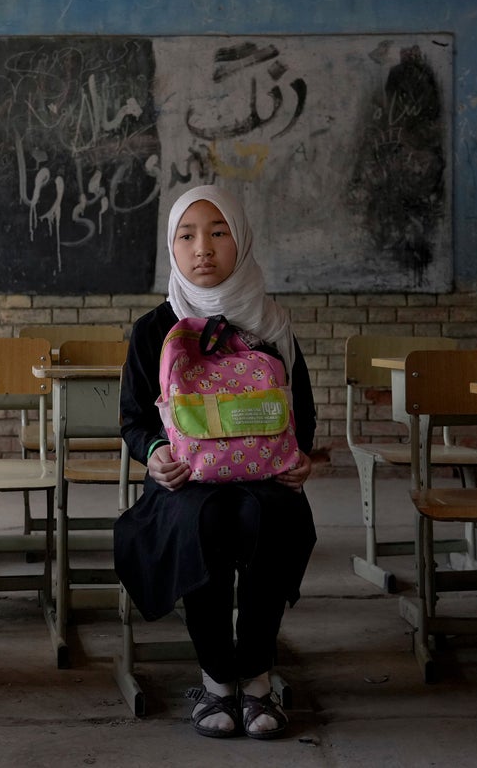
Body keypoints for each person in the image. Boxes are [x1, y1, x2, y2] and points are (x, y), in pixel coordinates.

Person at [113, 184, 317, 740]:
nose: (204, 247)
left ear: (241, 241)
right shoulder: (155, 330)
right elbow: (135, 419)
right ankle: (216, 680)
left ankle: (255, 677)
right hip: (185, 483)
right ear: (173, 251)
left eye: (218, 232)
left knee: (266, 518)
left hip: (264, 480)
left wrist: (300, 461)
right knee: (200, 522)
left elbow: (301, 415)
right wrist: (155, 455)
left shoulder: (271, 323)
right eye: (188, 235)